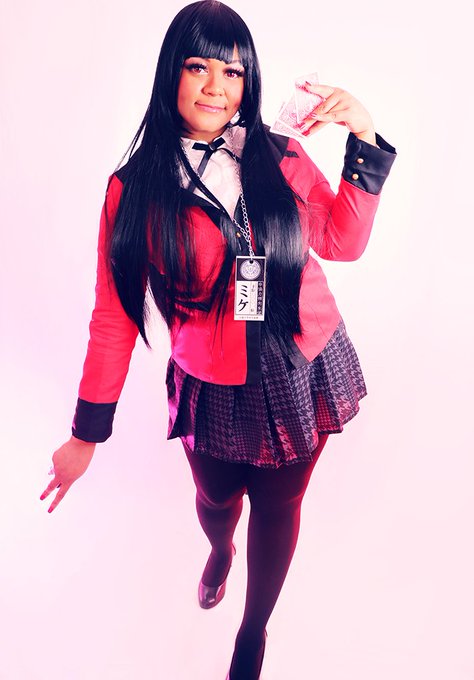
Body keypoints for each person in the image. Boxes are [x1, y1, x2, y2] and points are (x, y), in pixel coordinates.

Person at [40, 1, 397, 678]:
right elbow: (114, 315)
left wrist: (364, 136)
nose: (215, 86)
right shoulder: (132, 190)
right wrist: (86, 434)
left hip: (300, 362)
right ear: (169, 73)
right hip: (210, 377)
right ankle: (220, 549)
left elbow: (341, 242)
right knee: (216, 498)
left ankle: (253, 630)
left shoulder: (279, 154)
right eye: (197, 66)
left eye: (232, 72)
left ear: (248, 80)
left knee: (280, 504)